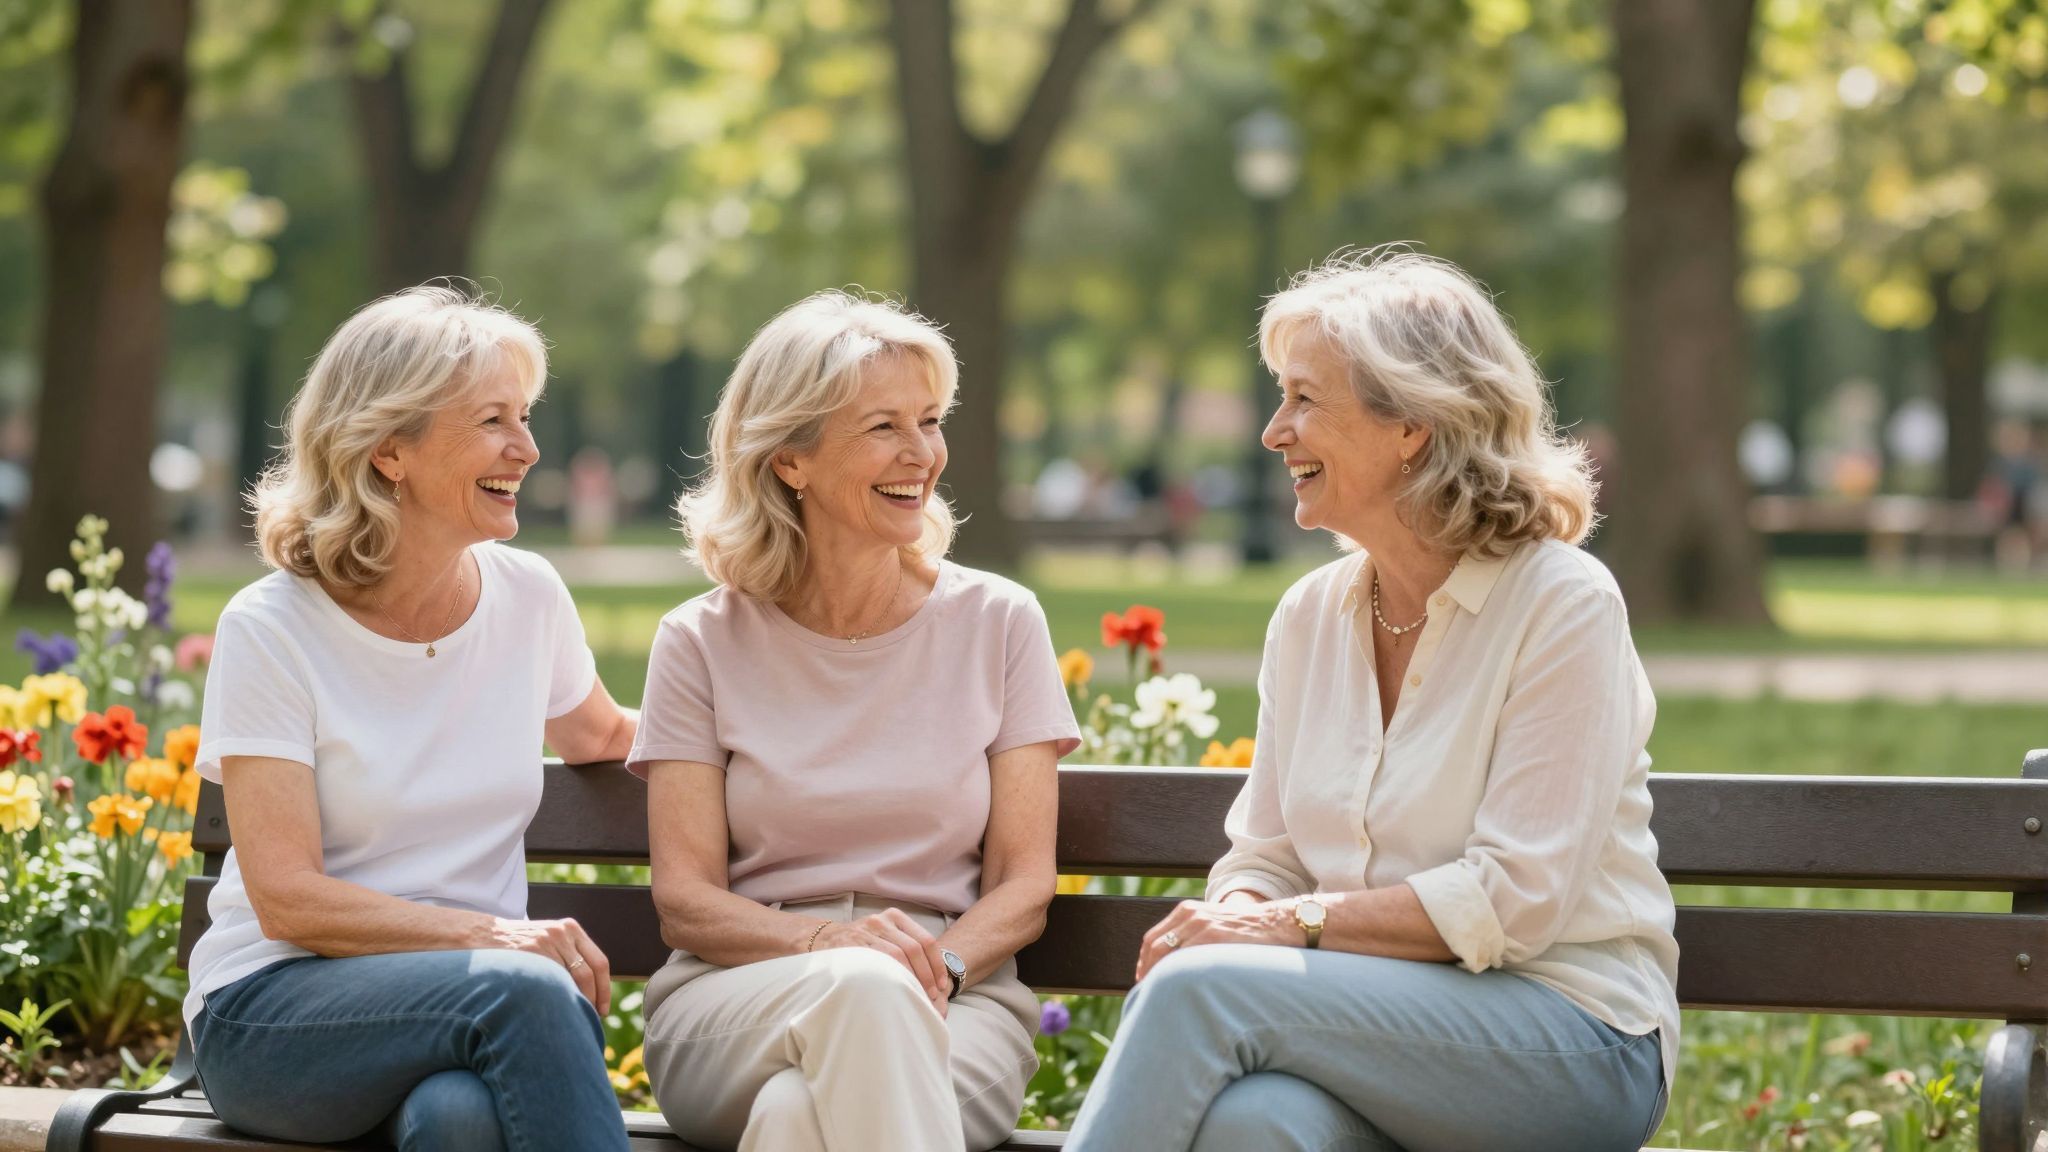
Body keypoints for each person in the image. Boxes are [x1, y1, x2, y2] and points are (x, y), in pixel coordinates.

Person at [1066, 249, 1678, 1152]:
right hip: (1369, 1028)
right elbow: (1265, 857)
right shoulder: (1310, 616)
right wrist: (1247, 908)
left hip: (1574, 1038)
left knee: (1202, 988)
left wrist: (1279, 926)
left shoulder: (1562, 602)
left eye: (1305, 399)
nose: (1275, 433)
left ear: (1413, 426)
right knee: (1254, 1125)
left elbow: (1515, 900)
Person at [187, 286, 638, 1152]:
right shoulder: (272, 626)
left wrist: (775, 725)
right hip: (276, 1011)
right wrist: (494, 936)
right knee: (527, 990)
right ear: (391, 449)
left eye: (526, 416)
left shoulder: (529, 598)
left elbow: (605, 737)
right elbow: (286, 900)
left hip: (464, 1012)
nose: (529, 447)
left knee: (457, 1126)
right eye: (493, 420)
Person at [630, 290, 1079, 1152]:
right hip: (739, 998)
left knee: (800, 1117)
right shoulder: (700, 640)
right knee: (862, 994)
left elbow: (1024, 885)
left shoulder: (1000, 621)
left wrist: (933, 968)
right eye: (884, 427)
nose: (923, 453)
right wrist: (836, 948)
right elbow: (686, 903)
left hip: (957, 997)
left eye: (931, 420)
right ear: (791, 458)